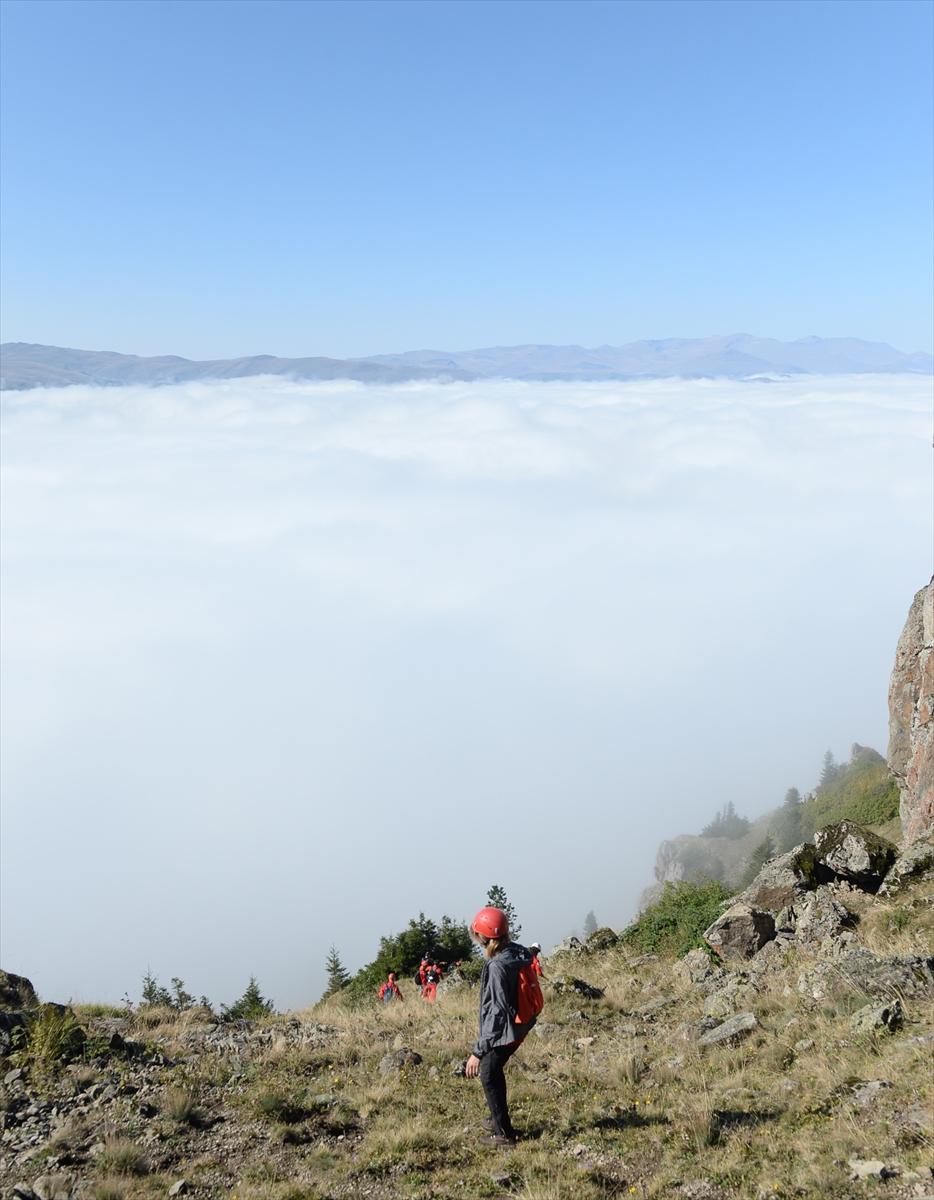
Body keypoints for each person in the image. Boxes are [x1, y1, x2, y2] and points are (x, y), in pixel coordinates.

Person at [464, 906, 537, 1146]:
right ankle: (497, 1119)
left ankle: (503, 1134)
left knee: (488, 1072)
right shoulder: (516, 951)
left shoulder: (497, 967)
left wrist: (478, 1051)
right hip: (522, 1023)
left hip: (508, 1029)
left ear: (484, 937)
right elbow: (530, 953)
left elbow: (496, 1013)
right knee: (493, 1071)